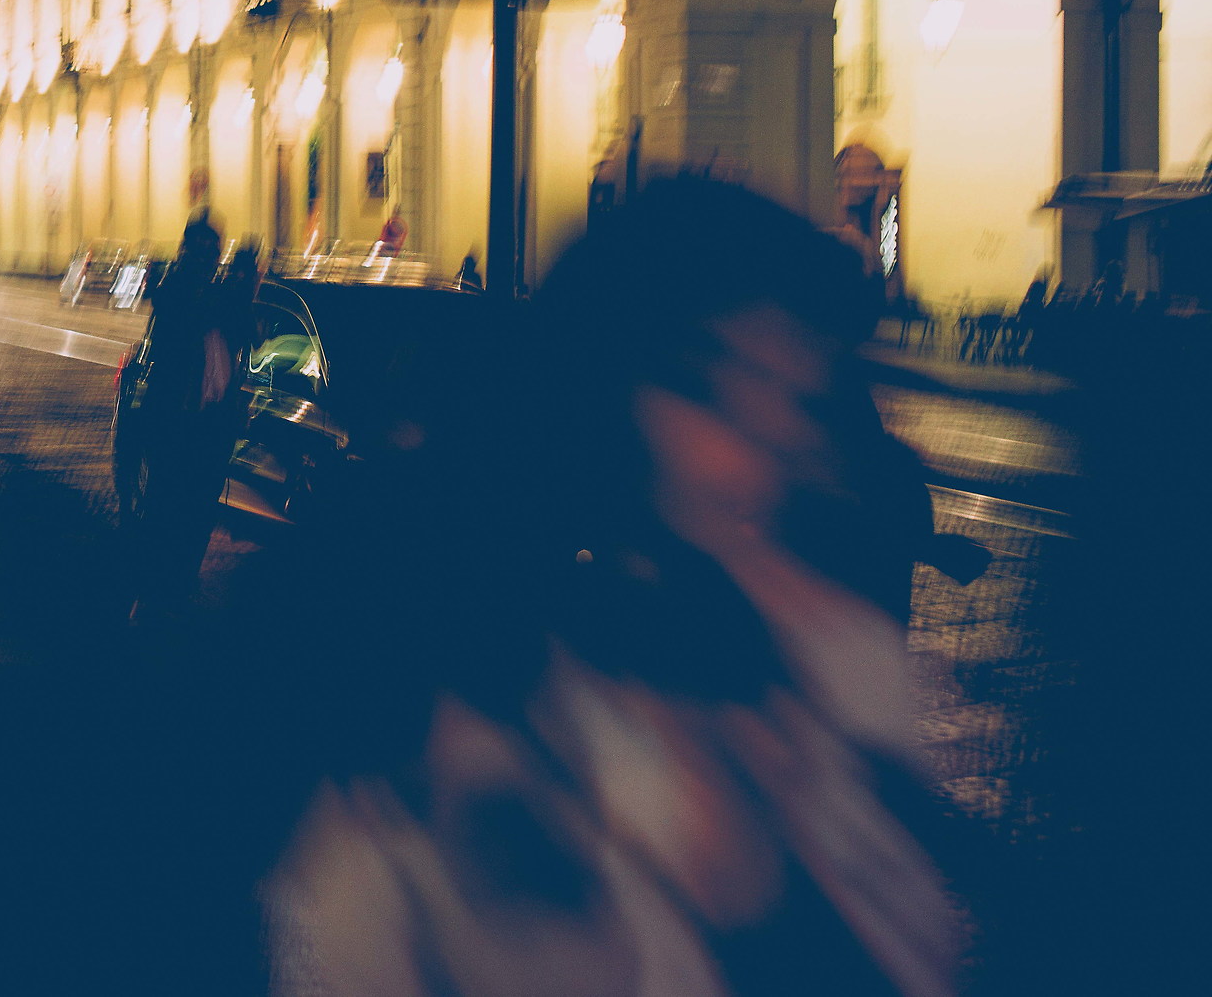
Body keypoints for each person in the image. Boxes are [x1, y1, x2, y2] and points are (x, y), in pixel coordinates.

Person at [261, 178, 969, 997]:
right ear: (600, 395)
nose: (771, 448)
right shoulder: (427, 714)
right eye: (714, 390)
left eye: (798, 399)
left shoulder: (842, 667)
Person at [129, 216, 247, 616]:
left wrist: (246, 285)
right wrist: (236, 283)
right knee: (168, 507)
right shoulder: (176, 292)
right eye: (200, 253)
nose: (207, 261)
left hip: (210, 425)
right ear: (185, 253)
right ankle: (155, 591)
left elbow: (244, 328)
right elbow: (193, 311)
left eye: (213, 254)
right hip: (176, 423)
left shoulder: (216, 297)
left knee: (200, 509)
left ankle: (180, 584)